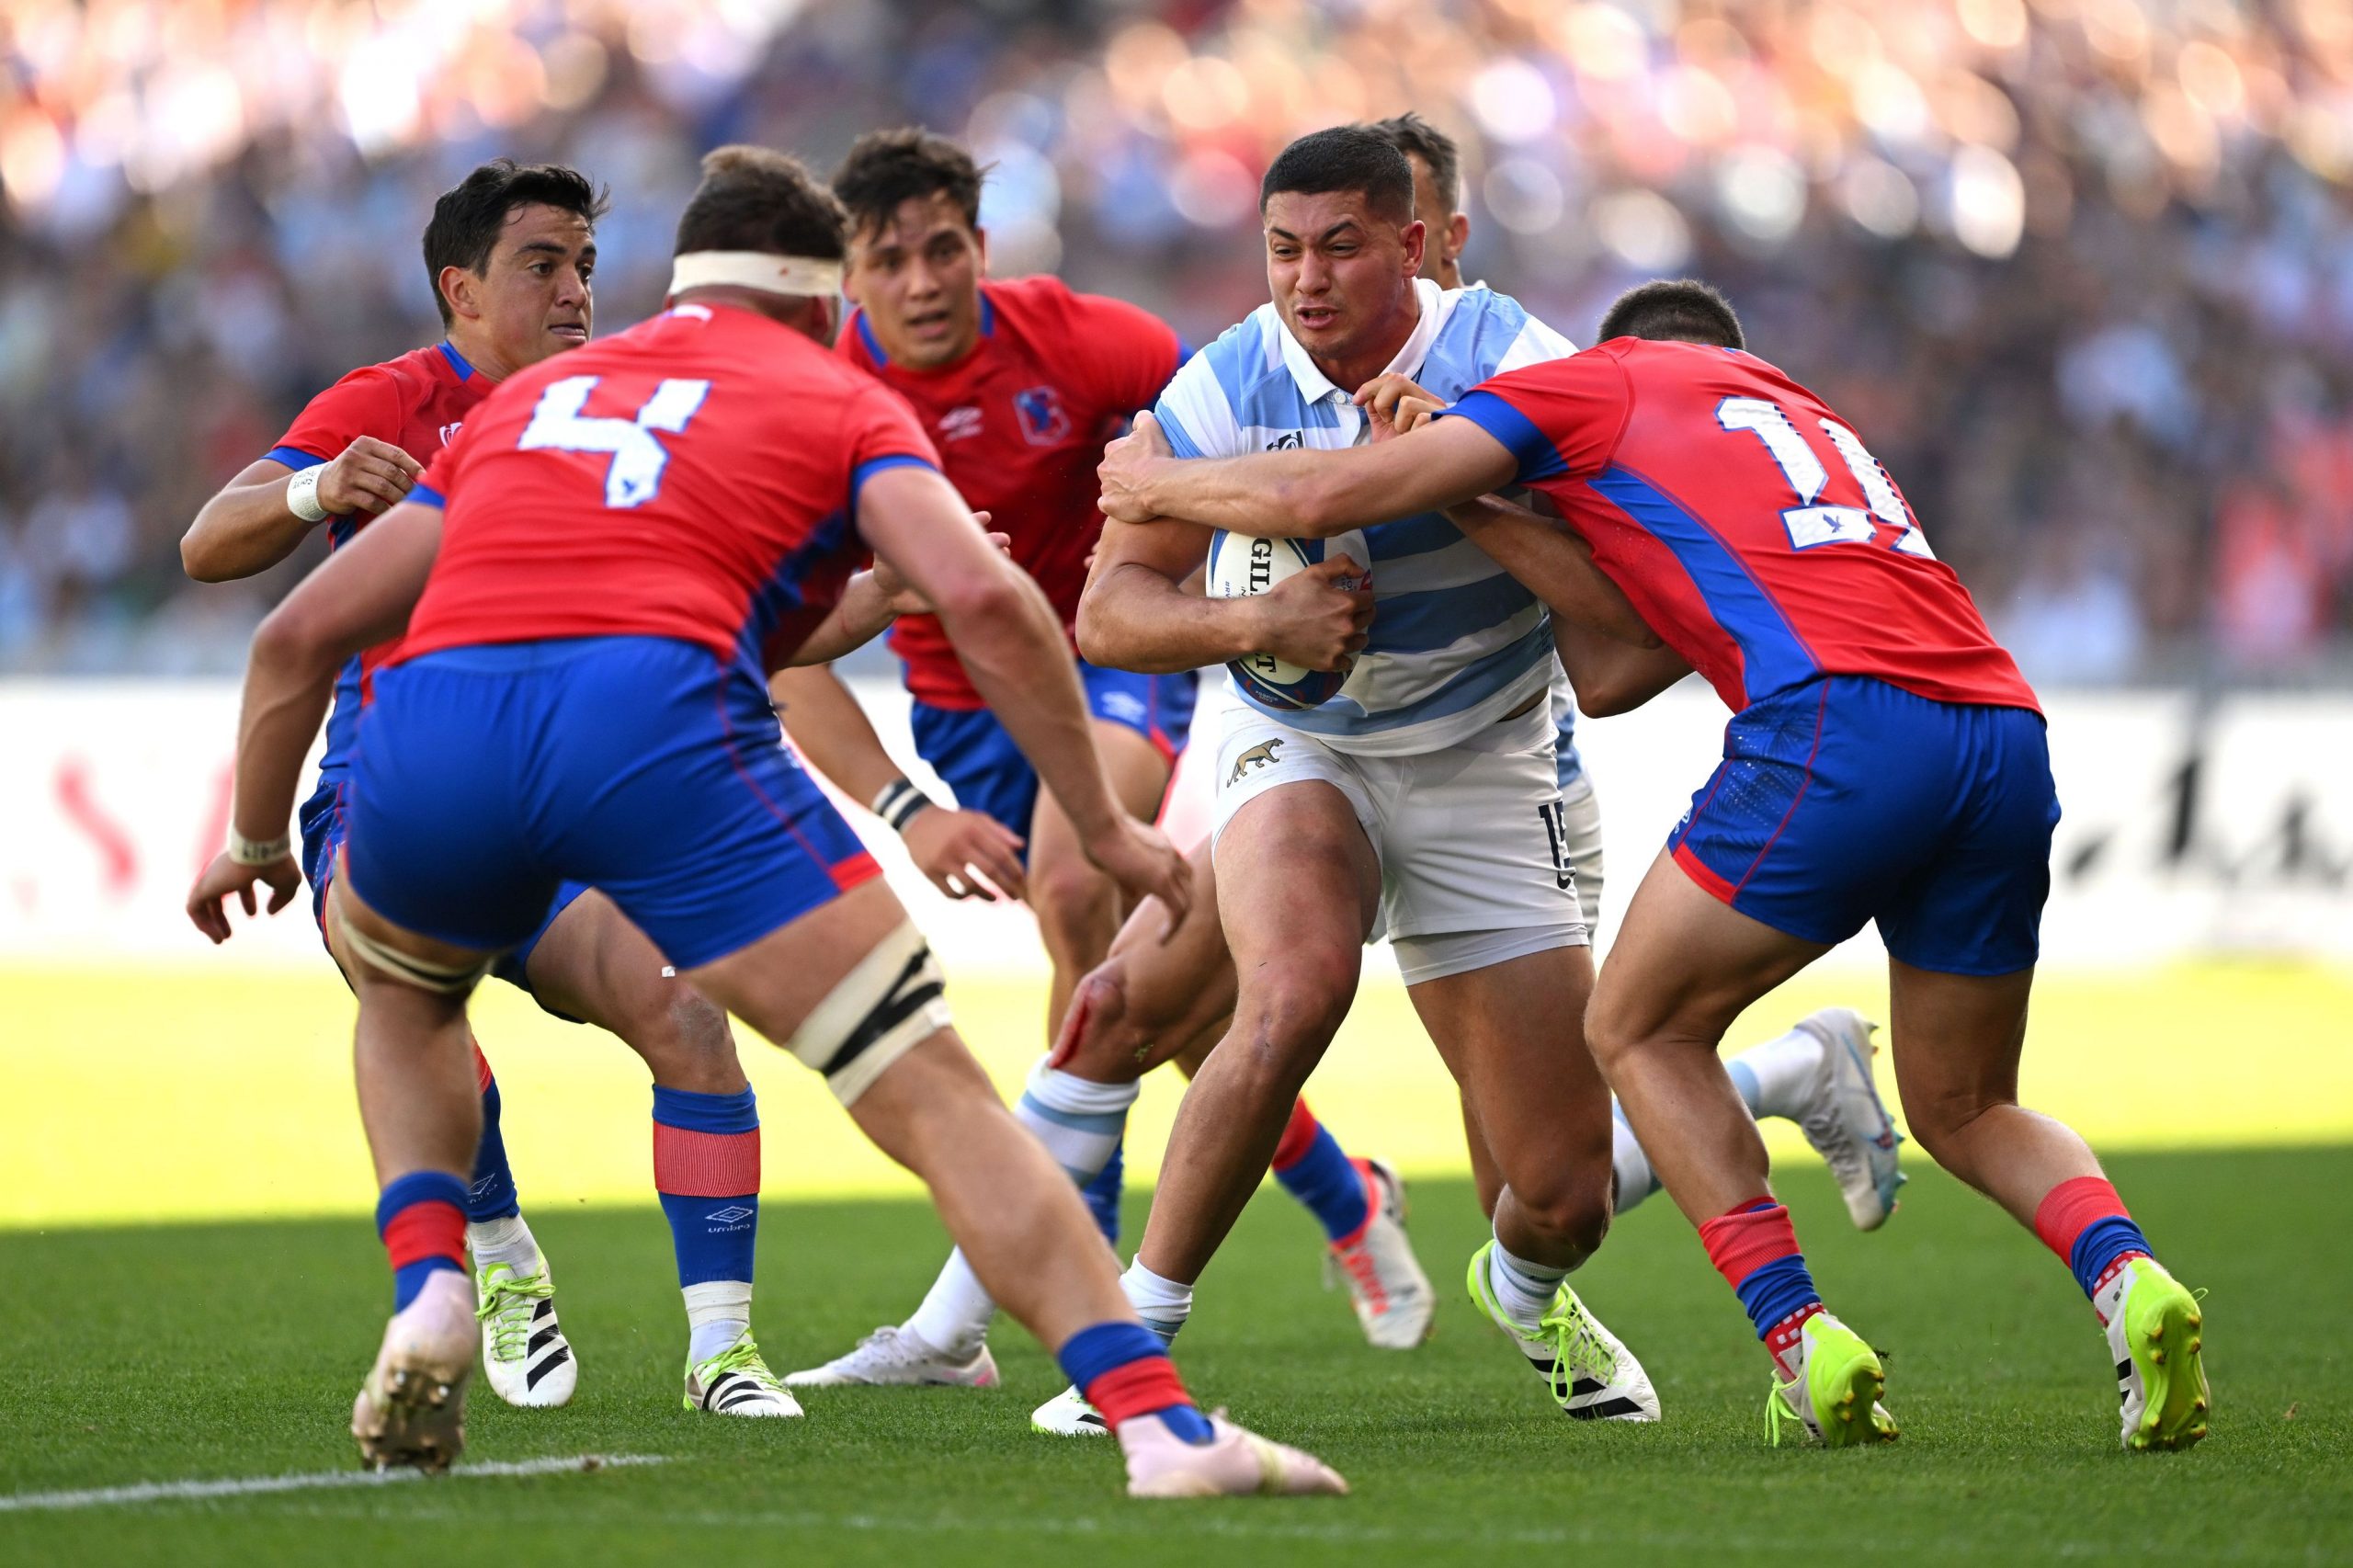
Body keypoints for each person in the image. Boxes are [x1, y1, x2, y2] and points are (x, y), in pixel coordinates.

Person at [185, 145, 1346, 1498]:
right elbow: (985, 604)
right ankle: (1158, 1428)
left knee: (402, 989)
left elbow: (296, 636)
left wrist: (261, 842)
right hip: (652, 727)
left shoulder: (534, 398)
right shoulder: (837, 396)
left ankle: (435, 1274)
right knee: (923, 1082)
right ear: (819, 296)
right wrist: (1107, 824)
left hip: (437, 726)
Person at [1094, 277, 2211, 1454]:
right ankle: (2128, 1275)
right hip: (1998, 726)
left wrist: (1152, 484)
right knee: (1970, 1100)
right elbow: (1619, 672)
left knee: (1633, 1028)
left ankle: (1799, 1337)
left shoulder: (1594, 380)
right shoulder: (1804, 413)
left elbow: (1329, 487)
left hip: (1838, 733)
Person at [778, 128, 1429, 1392]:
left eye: (944, 248)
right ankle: (1348, 1194)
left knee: (1083, 901)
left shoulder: (1084, 341)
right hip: (966, 711)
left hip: (1111, 652)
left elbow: (1233, 409)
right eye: (889, 259)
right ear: (846, 278)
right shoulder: (815, 401)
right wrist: (907, 802)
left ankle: (1065, 1294)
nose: (922, 281)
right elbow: (781, 650)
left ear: (982, 243)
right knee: (1148, 1001)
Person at [1074, 126, 1659, 1433]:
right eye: (1283, 248)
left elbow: (1625, 621)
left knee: (1563, 1192)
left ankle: (1525, 1288)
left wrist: (1464, 487)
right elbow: (1107, 612)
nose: (1307, 279)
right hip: (1302, 744)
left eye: (1341, 245)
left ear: (1415, 244)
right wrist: (1251, 628)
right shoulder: (1228, 378)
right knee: (1291, 991)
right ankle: (1130, 1345)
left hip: (1486, 758)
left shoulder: (1519, 365)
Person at [179, 160, 784, 1417]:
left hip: (566, 797)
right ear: (460, 287)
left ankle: (723, 1351)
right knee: (415, 993)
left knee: (684, 1014)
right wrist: (314, 487)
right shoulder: (390, 400)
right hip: (392, 784)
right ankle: (501, 1256)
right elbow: (208, 544)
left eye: (584, 267)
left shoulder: (619, 405)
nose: (575, 291)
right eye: (542, 265)